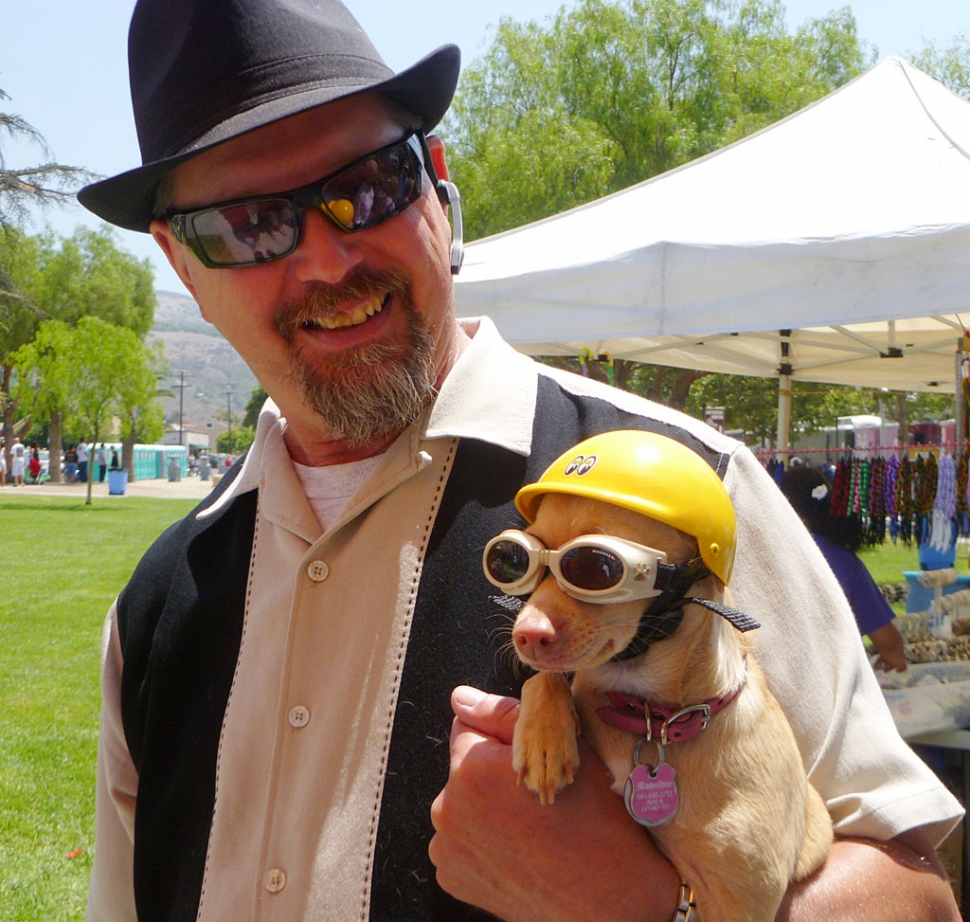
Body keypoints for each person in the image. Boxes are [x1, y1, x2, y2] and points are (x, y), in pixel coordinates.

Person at [78, 2, 961, 920]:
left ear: (436, 182)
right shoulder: (158, 604)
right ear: (183, 263)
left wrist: (650, 909)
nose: (329, 258)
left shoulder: (690, 491)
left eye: (370, 183)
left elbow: (919, 899)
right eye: (252, 223)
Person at [781, 464, 908, 672]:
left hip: (771, 685)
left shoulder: (764, 554)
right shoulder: (844, 560)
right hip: (831, 686)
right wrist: (894, 660)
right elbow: (889, 642)